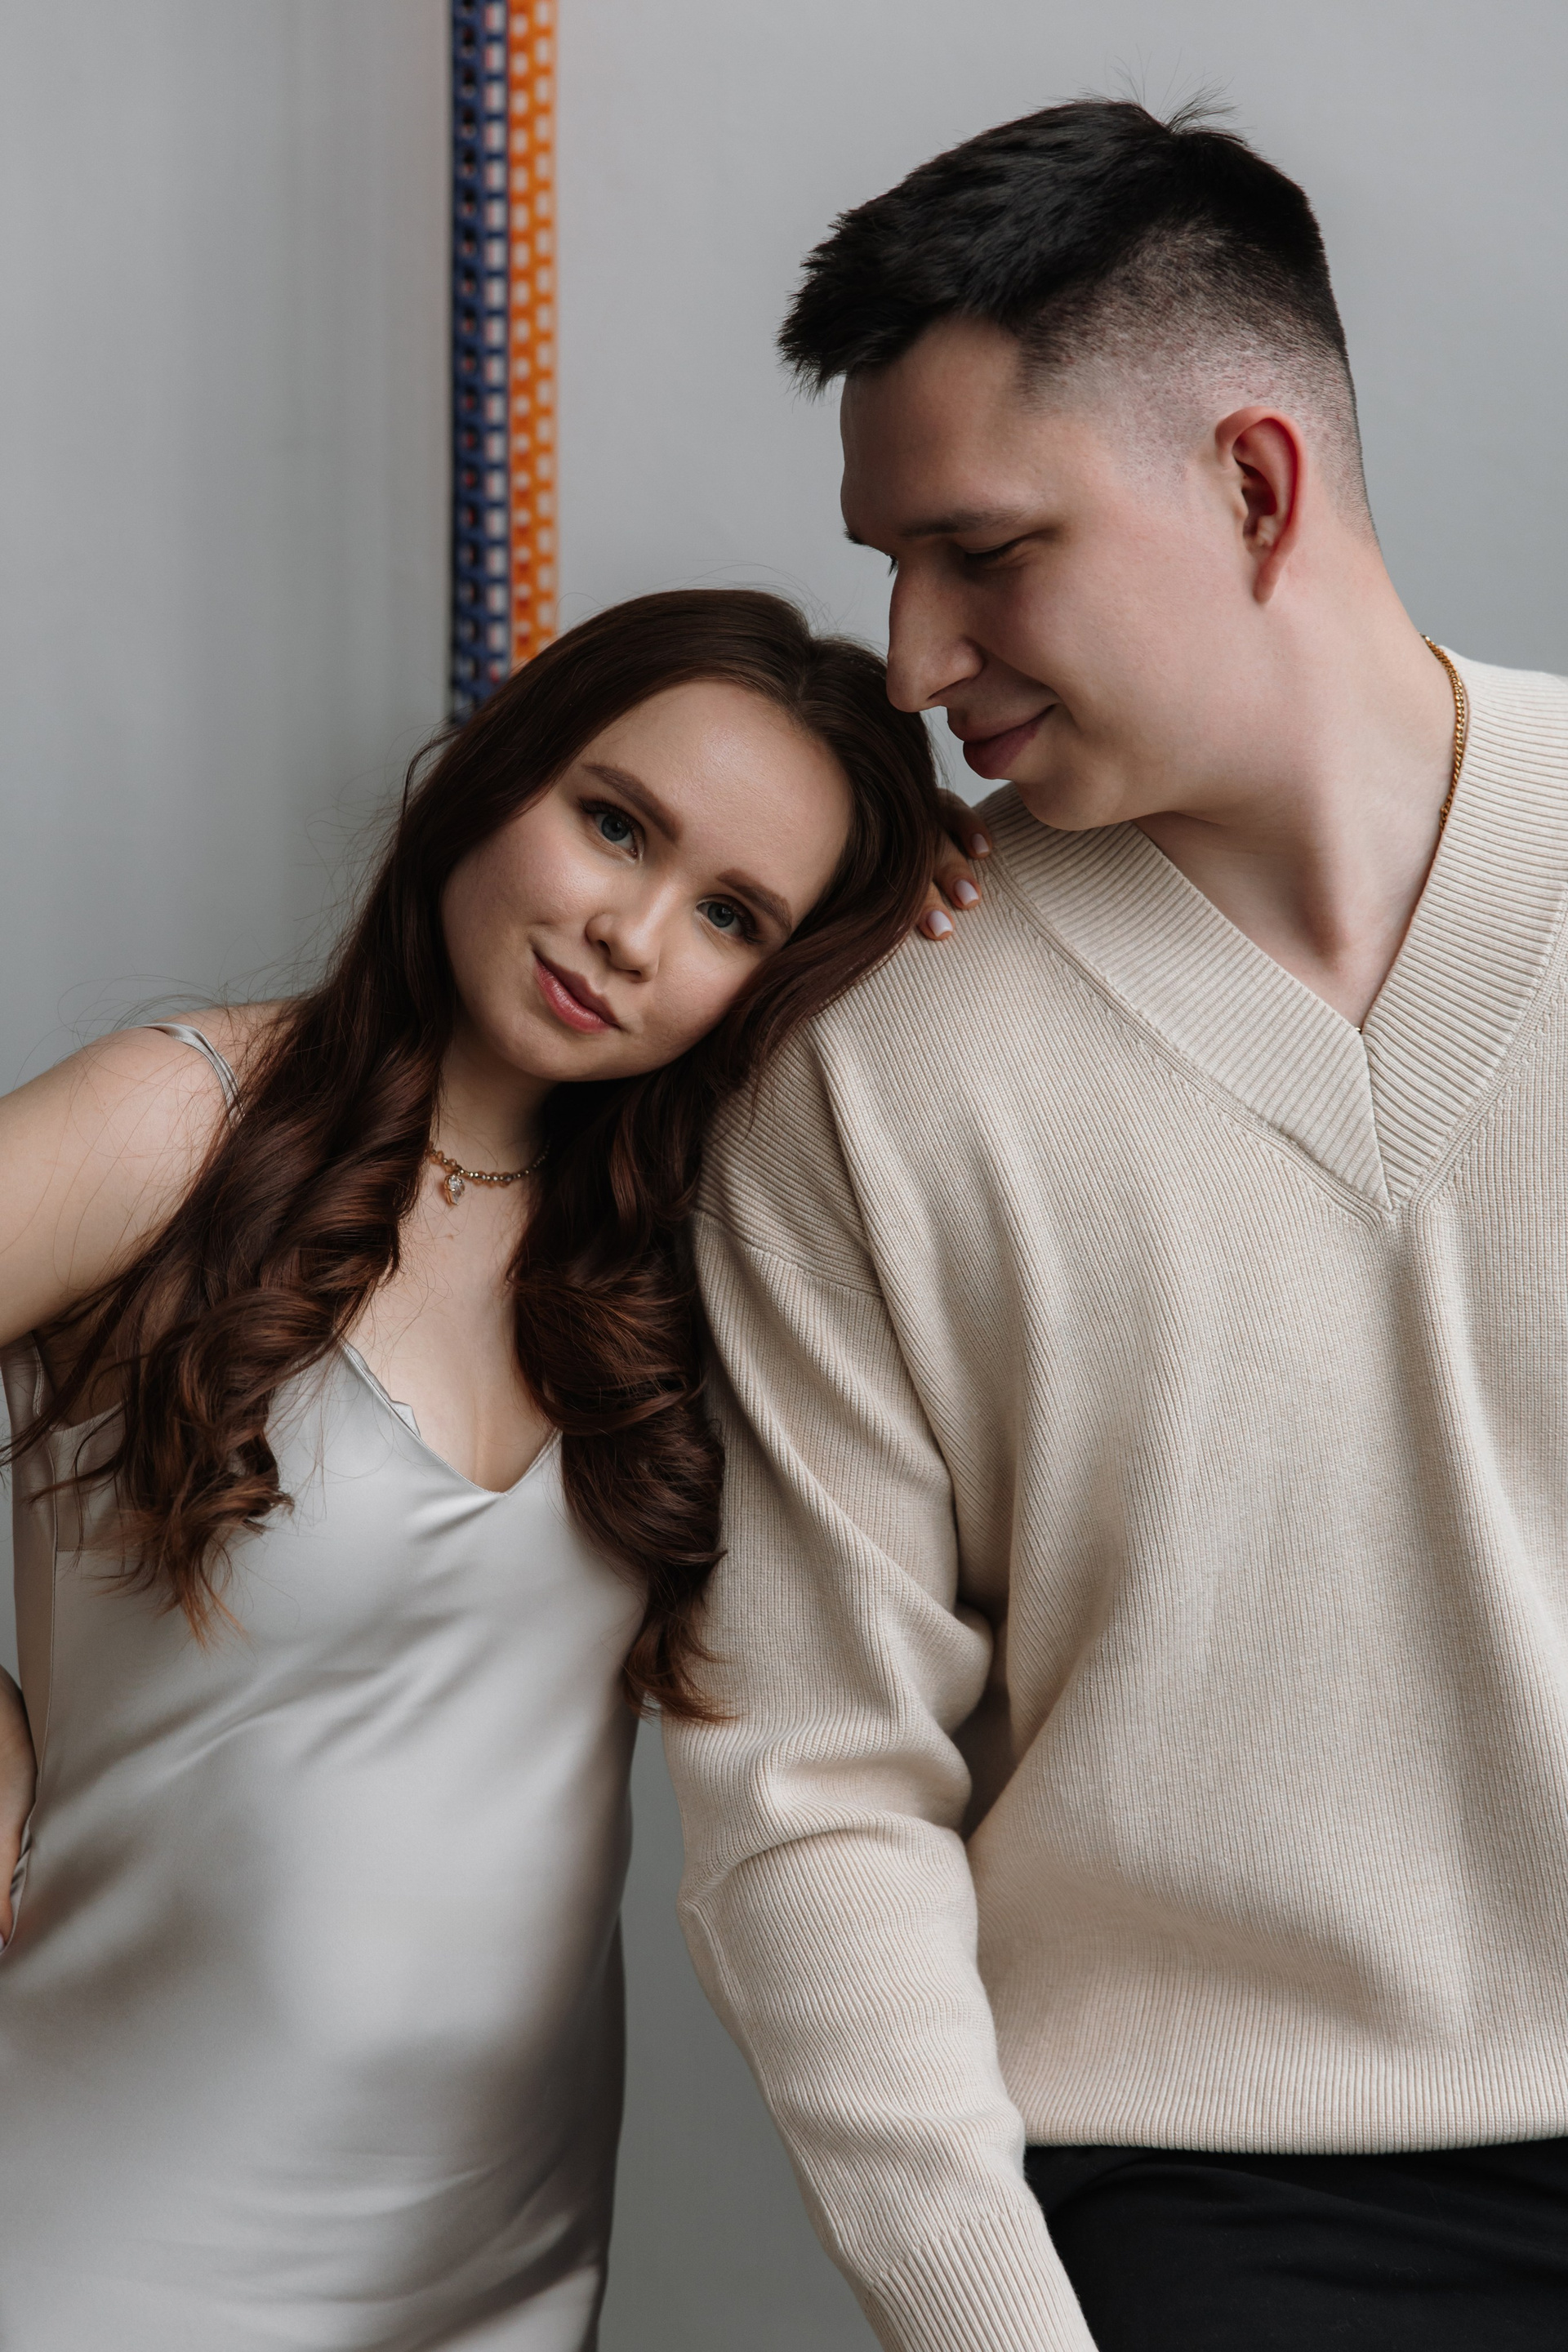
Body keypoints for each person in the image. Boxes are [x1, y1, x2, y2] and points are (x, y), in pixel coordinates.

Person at [663, 100, 1568, 2352]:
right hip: (1208, 2215)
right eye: (890, 563)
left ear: (1255, 485)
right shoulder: (863, 1062)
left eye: (980, 552)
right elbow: (812, 1785)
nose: (908, 658)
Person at [0, 587, 972, 2351]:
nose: (629, 932)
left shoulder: (701, 1268)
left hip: (493, 2248)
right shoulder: (187, 1124)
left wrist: (985, 906)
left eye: (732, 916)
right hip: (93, 2195)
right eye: (616, 824)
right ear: (498, 772)